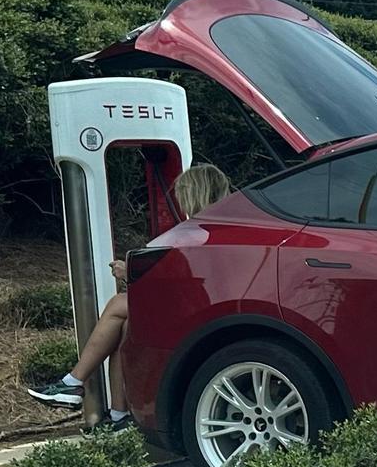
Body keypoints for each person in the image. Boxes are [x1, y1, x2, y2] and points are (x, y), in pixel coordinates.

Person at [28, 163, 232, 428]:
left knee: (117, 304)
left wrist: (130, 273)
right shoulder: (220, 228)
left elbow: (174, 280)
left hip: (196, 313)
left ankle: (73, 382)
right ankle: (118, 415)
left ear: (194, 194)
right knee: (125, 328)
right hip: (206, 308)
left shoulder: (194, 232)